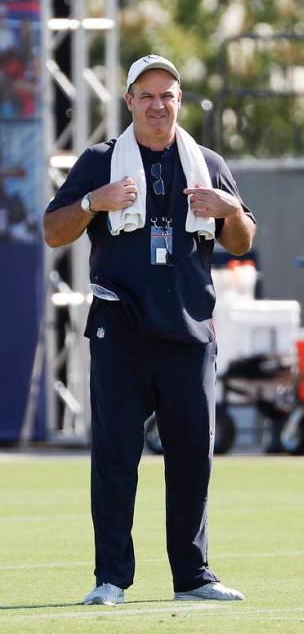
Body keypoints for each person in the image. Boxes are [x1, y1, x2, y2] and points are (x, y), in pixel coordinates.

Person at [42, 54, 255, 606]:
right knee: (116, 458)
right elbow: (52, 231)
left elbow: (242, 240)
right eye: (147, 95)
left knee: (192, 459)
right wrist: (94, 201)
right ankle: (111, 578)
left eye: (168, 95)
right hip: (122, 328)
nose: (158, 105)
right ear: (129, 100)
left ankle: (193, 576)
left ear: (179, 101)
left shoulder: (206, 162)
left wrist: (231, 209)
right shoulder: (101, 160)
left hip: (188, 332)